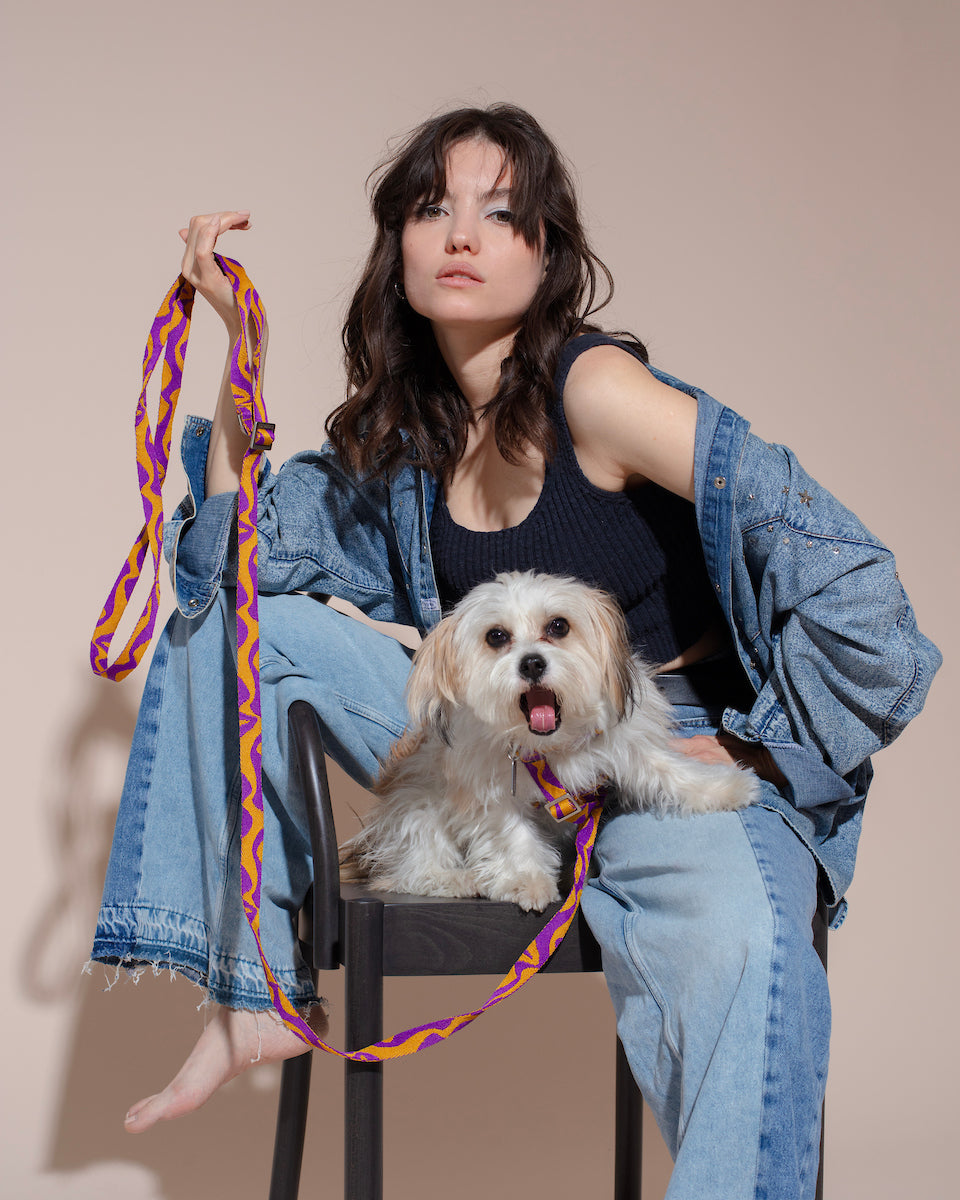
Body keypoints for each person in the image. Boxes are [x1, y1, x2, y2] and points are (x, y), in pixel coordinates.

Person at [91, 104, 940, 1197]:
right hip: (493, 745)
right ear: (396, 246)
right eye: (432, 208)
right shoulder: (408, 443)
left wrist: (768, 750)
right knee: (246, 633)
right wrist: (239, 355)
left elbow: (848, 575)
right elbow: (231, 566)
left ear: (546, 255)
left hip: (655, 741)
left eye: (500, 213)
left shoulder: (600, 393)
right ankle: (255, 998)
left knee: (740, 950)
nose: (460, 235)